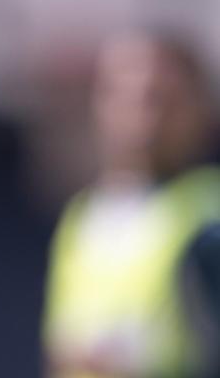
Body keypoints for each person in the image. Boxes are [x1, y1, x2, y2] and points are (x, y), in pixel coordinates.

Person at [45, 31, 220, 378]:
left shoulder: (210, 217)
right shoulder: (80, 218)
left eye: (160, 99)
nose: (142, 118)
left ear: (199, 110)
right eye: (123, 95)